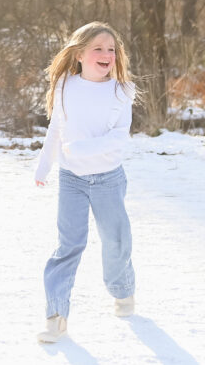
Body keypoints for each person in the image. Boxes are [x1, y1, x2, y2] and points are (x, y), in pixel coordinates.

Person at [34, 21, 137, 343]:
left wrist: (80, 148)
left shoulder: (122, 90)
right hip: (72, 179)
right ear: (79, 54)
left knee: (116, 241)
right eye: (99, 48)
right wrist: (43, 166)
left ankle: (122, 291)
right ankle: (56, 315)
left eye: (112, 49)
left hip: (108, 179)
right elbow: (56, 129)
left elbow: (118, 139)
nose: (107, 54)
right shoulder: (64, 85)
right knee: (69, 245)